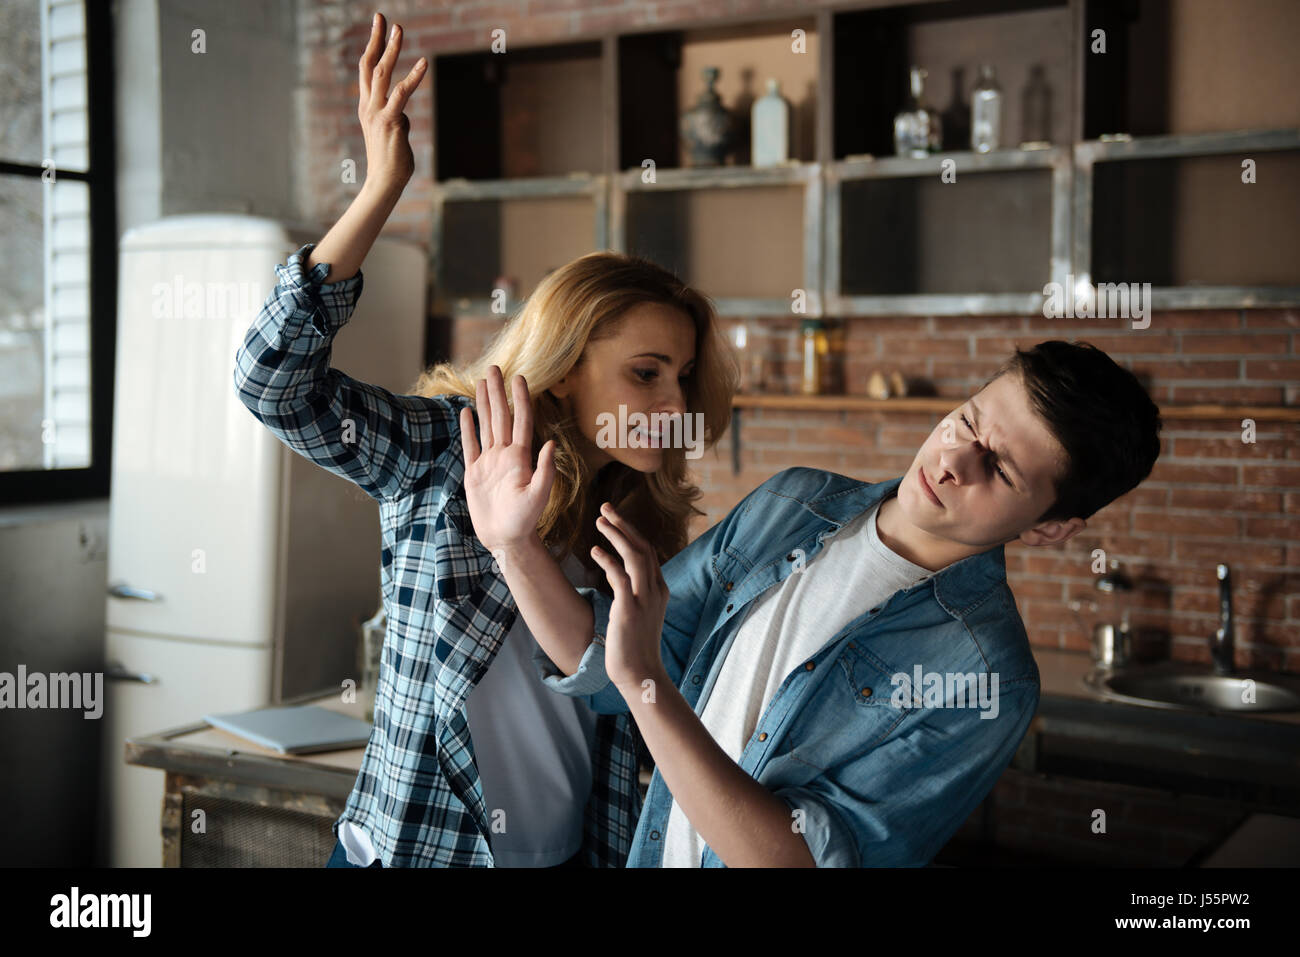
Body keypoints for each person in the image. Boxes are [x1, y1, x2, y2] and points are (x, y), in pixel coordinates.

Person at [233, 11, 736, 867]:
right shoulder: (445, 451)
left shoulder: (641, 522)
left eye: (683, 376)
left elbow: (620, 690)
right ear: (569, 366)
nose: (671, 398)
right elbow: (273, 385)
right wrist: (379, 192)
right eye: (646, 371)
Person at [472, 339, 1162, 866]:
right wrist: (515, 545)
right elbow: (601, 655)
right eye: (968, 421)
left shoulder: (987, 677)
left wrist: (646, 683)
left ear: (1050, 525)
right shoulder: (791, 503)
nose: (955, 459)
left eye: (1002, 469)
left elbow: (797, 859)